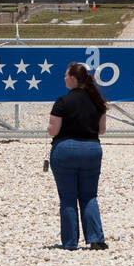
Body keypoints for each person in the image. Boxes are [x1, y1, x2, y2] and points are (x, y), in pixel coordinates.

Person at [47, 62, 109, 250]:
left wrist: (48, 127)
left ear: (73, 78)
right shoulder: (98, 102)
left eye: (66, 75)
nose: (64, 78)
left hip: (66, 149)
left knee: (68, 197)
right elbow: (102, 130)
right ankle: (96, 238)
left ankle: (70, 242)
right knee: (89, 195)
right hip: (91, 149)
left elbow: (53, 130)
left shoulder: (62, 101)